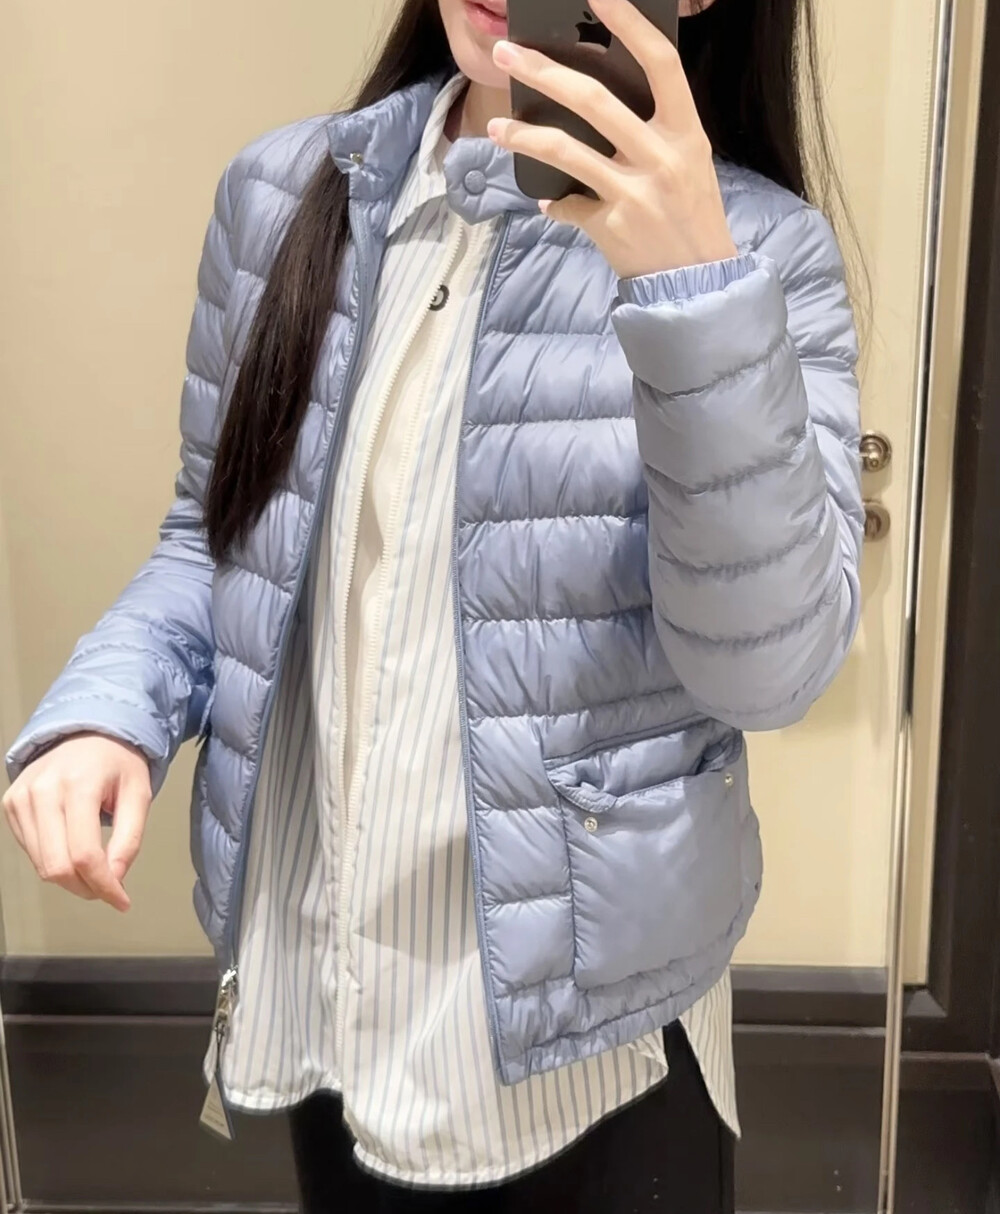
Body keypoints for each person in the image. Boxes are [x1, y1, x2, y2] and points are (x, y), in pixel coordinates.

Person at [3, 0, 864, 1209]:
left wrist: (693, 292)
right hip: (329, 1009)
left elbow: (768, 671)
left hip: (598, 1050)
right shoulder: (285, 193)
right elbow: (215, 537)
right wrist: (107, 709)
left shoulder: (760, 250)